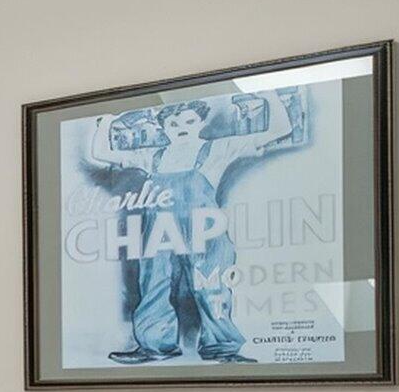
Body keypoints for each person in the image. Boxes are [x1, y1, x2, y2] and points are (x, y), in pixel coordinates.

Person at [81, 87, 308, 363]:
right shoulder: (152, 154)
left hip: (205, 229)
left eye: (189, 121)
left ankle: (222, 348)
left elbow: (279, 129)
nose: (181, 128)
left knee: (211, 285)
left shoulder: (218, 148)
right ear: (164, 127)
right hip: (159, 231)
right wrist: (106, 119)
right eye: (173, 123)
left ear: (201, 122)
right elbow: (101, 152)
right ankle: (154, 346)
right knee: (153, 286)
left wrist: (270, 95)